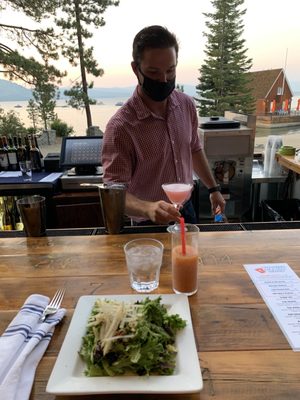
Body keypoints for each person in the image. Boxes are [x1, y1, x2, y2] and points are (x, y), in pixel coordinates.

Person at [102, 25, 225, 225]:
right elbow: (113, 192)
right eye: (153, 72)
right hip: (147, 221)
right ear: (136, 69)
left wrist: (213, 189)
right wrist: (147, 208)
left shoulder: (186, 105)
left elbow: (193, 148)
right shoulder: (121, 127)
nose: (164, 79)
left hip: (186, 208)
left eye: (170, 70)